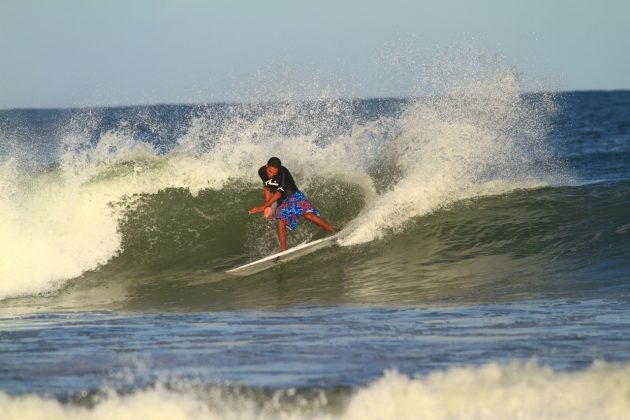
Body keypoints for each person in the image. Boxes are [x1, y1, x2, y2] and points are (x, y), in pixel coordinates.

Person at [248, 157, 336, 251]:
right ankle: (283, 251)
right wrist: (268, 207)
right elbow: (267, 187)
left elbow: (279, 193)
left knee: (308, 215)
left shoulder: (283, 172)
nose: (272, 175)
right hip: (282, 202)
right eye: (270, 171)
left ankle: (334, 232)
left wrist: (264, 205)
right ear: (266, 166)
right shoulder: (261, 172)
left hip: (294, 195)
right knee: (281, 223)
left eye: (275, 173)